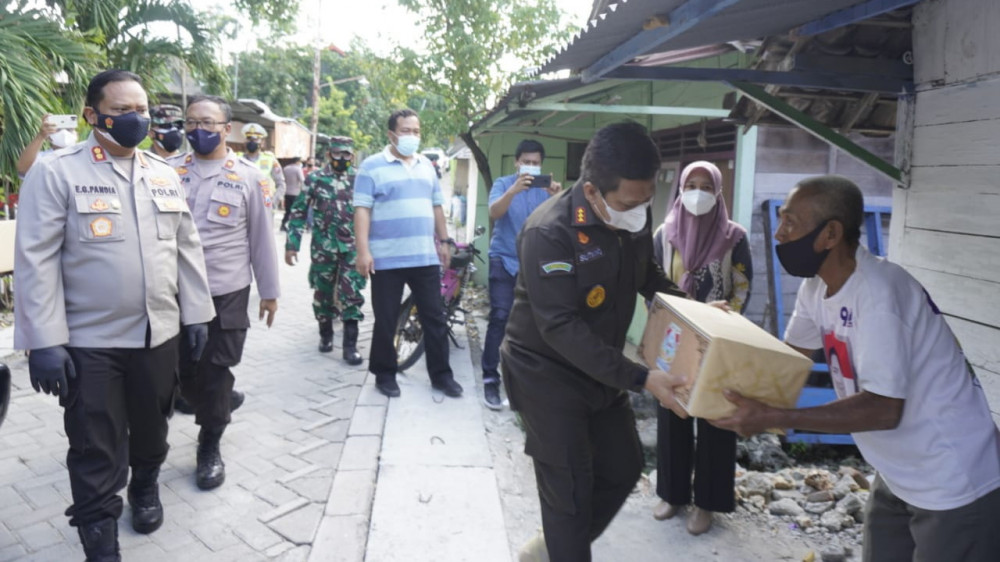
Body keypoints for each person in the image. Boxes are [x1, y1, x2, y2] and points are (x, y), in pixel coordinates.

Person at [712, 175, 1000, 562]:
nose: (779, 234)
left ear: (830, 233)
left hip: (952, 480)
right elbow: (786, 362)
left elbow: (882, 409)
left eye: (790, 222)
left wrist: (773, 416)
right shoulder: (817, 289)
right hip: (898, 472)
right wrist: (719, 337)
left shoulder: (879, 293)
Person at [13, 69, 215, 561]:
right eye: (123, 111)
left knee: (152, 431)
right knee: (94, 445)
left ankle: (144, 487)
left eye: (142, 110)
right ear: (92, 115)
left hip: (158, 334)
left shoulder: (163, 172)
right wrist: (43, 340)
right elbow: (35, 256)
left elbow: (187, 249)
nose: (137, 119)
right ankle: (100, 539)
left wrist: (197, 315)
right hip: (89, 340)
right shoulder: (57, 170)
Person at [501, 122, 692, 562]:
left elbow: (648, 276)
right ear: (591, 191)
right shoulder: (548, 232)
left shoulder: (631, 214)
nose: (640, 211)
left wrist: (694, 312)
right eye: (630, 201)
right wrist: (643, 378)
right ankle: (563, 546)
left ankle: (553, 549)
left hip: (600, 368)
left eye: (646, 200)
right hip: (545, 376)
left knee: (624, 469)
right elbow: (561, 328)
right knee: (569, 494)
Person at [170, 95, 281, 491]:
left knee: (215, 369)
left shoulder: (250, 177)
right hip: (174, 289)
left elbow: (262, 239)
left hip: (226, 289)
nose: (199, 129)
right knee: (182, 369)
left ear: (225, 129)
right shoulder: (165, 172)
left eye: (208, 122)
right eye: (192, 121)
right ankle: (217, 399)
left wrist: (269, 292)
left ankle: (209, 444)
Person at [650, 161, 752, 535]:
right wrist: (677, 319)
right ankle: (672, 494)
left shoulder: (735, 237)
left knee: (715, 419)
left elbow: (741, 289)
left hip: (719, 342)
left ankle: (708, 503)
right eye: (689, 184)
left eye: (705, 186)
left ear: (718, 191)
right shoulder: (664, 234)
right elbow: (654, 288)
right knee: (673, 412)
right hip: (674, 339)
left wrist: (718, 324)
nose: (696, 192)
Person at [353, 108, 462, 399]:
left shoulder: (427, 165)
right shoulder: (372, 166)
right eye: (406, 131)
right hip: (386, 258)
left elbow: (437, 206)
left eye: (416, 131)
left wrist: (445, 241)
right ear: (391, 134)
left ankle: (441, 376)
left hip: (424, 256)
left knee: (435, 318)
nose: (412, 136)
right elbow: (362, 210)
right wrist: (363, 251)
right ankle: (384, 374)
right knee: (386, 320)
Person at [481, 139, 562, 410]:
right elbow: (494, 213)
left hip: (534, 265)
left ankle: (524, 381)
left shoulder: (545, 188)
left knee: (534, 323)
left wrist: (557, 197)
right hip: (503, 260)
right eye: (526, 162)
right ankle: (490, 379)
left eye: (536, 162)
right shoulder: (504, 184)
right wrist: (513, 191)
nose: (531, 166)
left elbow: (562, 222)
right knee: (500, 317)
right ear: (517, 162)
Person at [285, 136, 366, 364]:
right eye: (338, 154)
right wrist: (292, 245)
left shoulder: (360, 179)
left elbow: (371, 213)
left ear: (352, 154)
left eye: (347, 154)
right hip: (323, 247)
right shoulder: (316, 179)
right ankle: (326, 334)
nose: (342, 159)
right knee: (323, 293)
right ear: (329, 154)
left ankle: (350, 346)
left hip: (352, 247)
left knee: (351, 293)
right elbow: (299, 212)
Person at [239, 122, 285, 213]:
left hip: (264, 207)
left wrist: (273, 203)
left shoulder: (270, 160)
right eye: (249, 138)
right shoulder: (237, 159)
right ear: (244, 141)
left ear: (262, 142)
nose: (252, 141)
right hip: (242, 207)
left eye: (256, 139)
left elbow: (281, 184)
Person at [16, 113, 78, 178]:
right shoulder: (41, 158)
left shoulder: (84, 156)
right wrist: (41, 136)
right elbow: (22, 169)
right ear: (49, 137)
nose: (64, 132)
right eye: (58, 129)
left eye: (69, 129)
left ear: (76, 135)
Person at [280, 156, 305, 231]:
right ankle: (292, 226)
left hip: (287, 192)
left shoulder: (286, 168)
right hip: (295, 193)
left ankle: (283, 224)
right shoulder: (298, 169)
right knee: (295, 210)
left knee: (287, 210)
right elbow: (302, 180)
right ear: (297, 162)